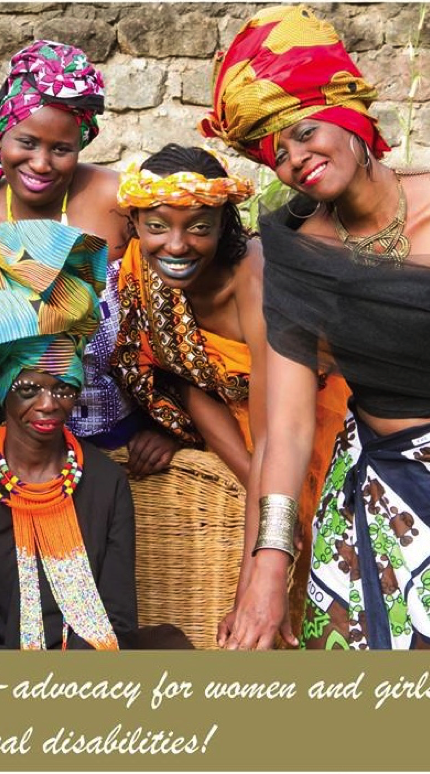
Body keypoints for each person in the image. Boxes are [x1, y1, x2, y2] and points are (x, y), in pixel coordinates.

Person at [201, 4, 430, 649]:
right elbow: (288, 429)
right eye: (276, 151)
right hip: (374, 486)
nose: (296, 158)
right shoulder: (296, 251)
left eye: (304, 131)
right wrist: (267, 572)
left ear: (349, 114)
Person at [112, 143, 350, 638]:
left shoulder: (256, 277)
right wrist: (247, 477)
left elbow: (276, 436)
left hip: (313, 422)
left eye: (199, 227)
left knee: (312, 571)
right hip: (241, 433)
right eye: (157, 226)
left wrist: (250, 591)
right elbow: (184, 376)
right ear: (135, 223)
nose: (176, 246)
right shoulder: (140, 269)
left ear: (226, 225)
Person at [0, 39, 178, 476]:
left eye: (61, 149)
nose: (41, 163)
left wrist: (173, 427)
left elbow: (180, 309)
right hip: (15, 446)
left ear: (82, 142)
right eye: (26, 142)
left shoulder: (116, 199)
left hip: (127, 438)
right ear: (1, 134)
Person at [0, 219, 139, 649]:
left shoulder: (105, 483)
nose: (48, 404)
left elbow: (117, 616)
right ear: (2, 389)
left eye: (63, 387)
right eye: (28, 389)